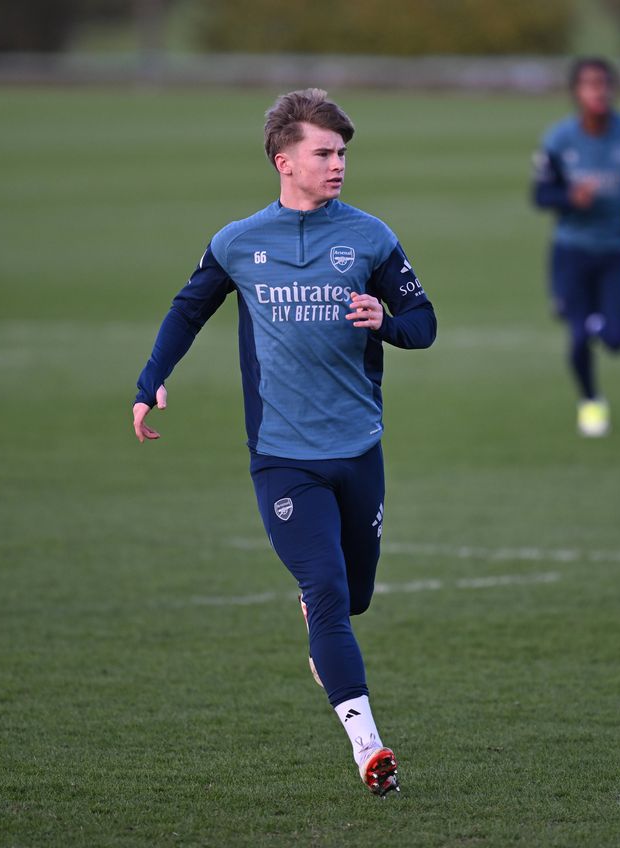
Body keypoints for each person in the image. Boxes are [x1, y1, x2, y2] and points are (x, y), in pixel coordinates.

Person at [131, 88, 436, 797]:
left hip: (359, 451)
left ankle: (323, 627)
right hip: (282, 457)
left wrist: (383, 321)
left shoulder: (369, 237)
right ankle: (369, 748)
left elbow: (424, 322)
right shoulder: (238, 242)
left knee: (352, 597)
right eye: (324, 153)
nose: (338, 165)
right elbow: (188, 309)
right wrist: (151, 381)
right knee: (326, 591)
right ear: (284, 159)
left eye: (343, 154)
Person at [532, 57, 620, 437]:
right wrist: (569, 197)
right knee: (578, 338)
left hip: (614, 252)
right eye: (590, 84)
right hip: (570, 251)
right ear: (577, 92)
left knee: (615, 340)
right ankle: (591, 401)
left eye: (604, 83)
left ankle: (594, 322)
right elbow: (540, 195)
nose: (599, 91)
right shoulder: (559, 140)